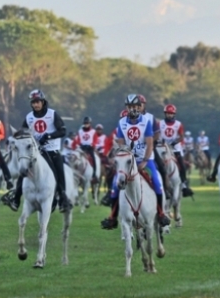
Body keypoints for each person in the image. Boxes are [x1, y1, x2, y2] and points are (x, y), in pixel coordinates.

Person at [100, 94, 170, 230]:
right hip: (128, 160)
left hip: (145, 159)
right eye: (129, 106)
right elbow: (120, 142)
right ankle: (112, 217)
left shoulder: (146, 121)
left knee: (157, 182)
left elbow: (150, 144)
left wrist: (144, 160)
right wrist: (125, 154)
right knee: (115, 185)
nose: (132, 109)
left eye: (134, 106)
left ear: (139, 107)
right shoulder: (121, 123)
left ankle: (161, 214)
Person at [3, 89, 74, 213]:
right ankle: (16, 198)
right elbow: (23, 132)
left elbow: (62, 131)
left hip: (52, 150)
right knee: (23, 171)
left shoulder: (52, 114)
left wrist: (48, 136)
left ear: (43, 101)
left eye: (38, 102)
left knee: (59, 173)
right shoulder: (29, 117)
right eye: (33, 102)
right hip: (35, 151)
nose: (35, 104)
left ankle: (63, 199)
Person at [160, 104, 193, 197]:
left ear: (174, 114)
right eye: (167, 113)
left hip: (175, 148)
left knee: (181, 164)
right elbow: (157, 134)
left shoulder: (178, 124)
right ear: (165, 114)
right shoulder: (160, 123)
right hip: (163, 148)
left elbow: (181, 136)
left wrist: (175, 142)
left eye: (171, 114)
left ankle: (184, 184)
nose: (169, 115)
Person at [71, 116, 99, 183]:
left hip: (90, 148)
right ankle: (74, 173)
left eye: (87, 123)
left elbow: (95, 140)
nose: (86, 124)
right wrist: (79, 145)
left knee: (93, 159)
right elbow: (77, 139)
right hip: (82, 148)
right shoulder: (80, 131)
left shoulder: (93, 131)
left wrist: (92, 145)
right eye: (85, 123)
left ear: (90, 124)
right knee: (75, 158)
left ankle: (94, 175)